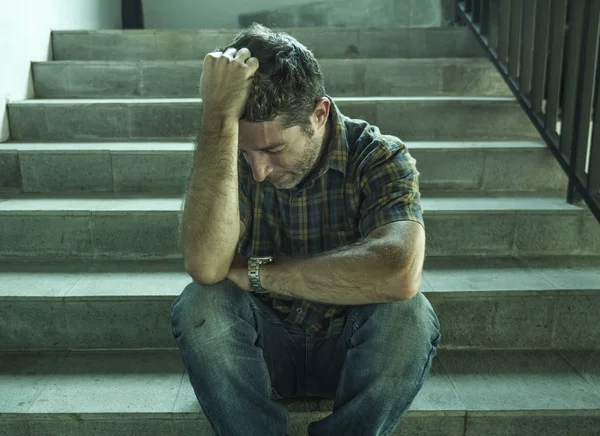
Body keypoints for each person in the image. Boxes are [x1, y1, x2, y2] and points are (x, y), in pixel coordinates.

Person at [170, 23, 441, 436]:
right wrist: (217, 116)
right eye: (247, 151)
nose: (258, 170)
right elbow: (206, 265)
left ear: (319, 114)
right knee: (200, 304)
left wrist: (258, 272)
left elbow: (399, 271)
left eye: (274, 149)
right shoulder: (228, 157)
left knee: (409, 314)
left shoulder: (378, 156)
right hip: (262, 353)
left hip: (351, 351)